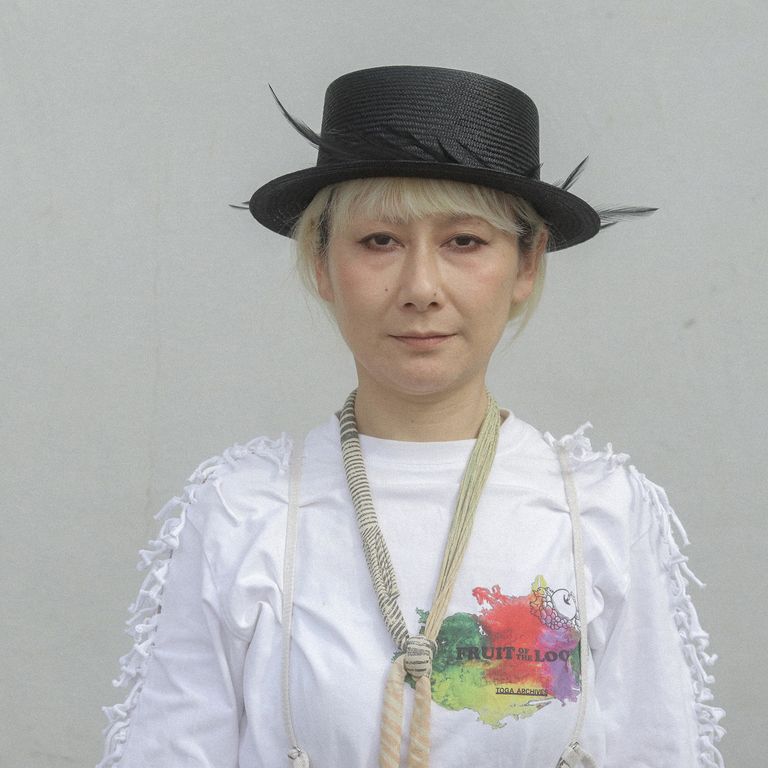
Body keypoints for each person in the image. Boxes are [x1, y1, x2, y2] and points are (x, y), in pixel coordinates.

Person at [97, 66, 725, 768]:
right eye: (379, 241)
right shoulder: (243, 513)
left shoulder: (597, 515)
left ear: (525, 263)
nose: (421, 288)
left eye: (465, 241)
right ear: (321, 263)